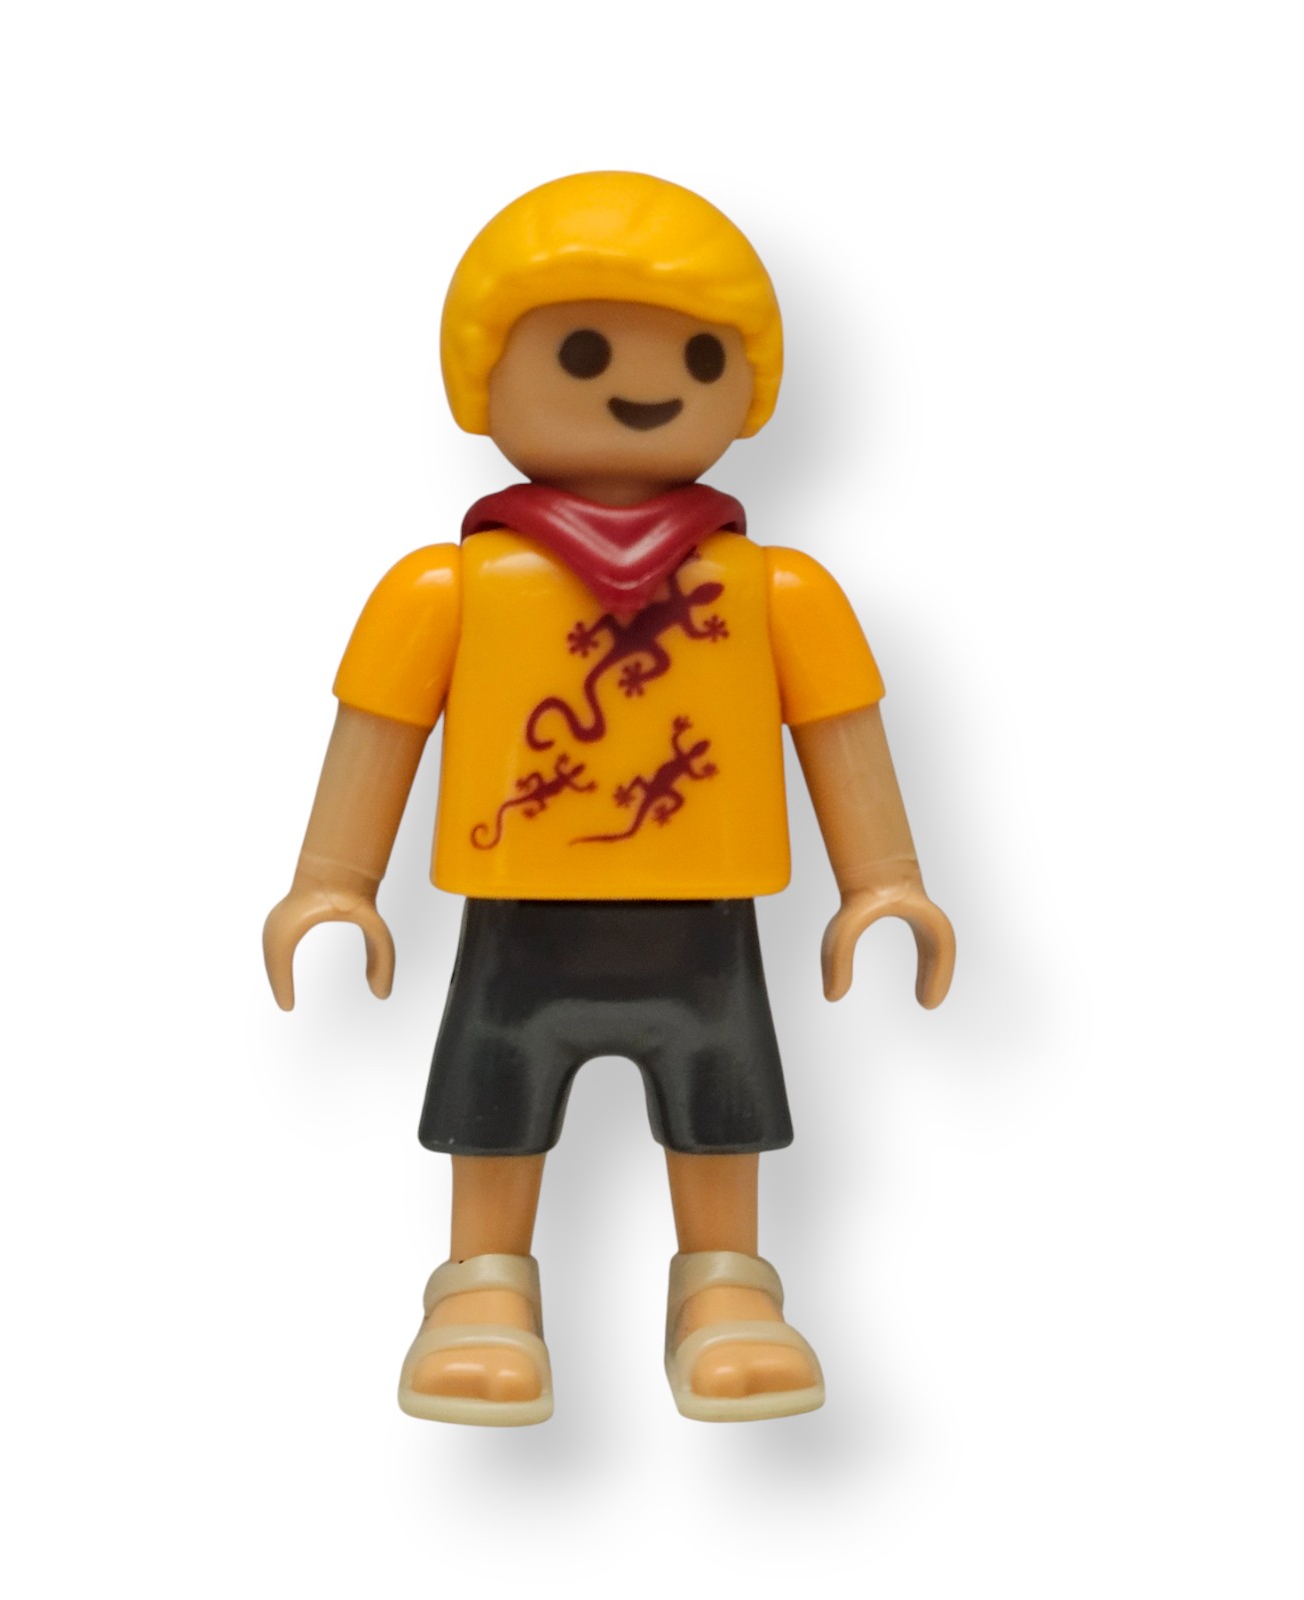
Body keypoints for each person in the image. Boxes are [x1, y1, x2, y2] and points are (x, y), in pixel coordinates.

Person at [263, 171, 955, 1425]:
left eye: (699, 354)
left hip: (704, 918)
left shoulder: (777, 592)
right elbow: (379, 732)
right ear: (481, 378)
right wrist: (332, 882)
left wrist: (883, 881)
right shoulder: (448, 589)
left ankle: (726, 1288)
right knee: (494, 1099)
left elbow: (838, 732)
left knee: (720, 1103)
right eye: (580, 353)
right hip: (519, 914)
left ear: (750, 386)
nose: (645, 387)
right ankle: (480, 1289)